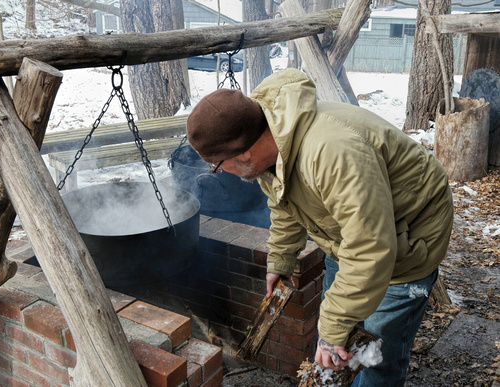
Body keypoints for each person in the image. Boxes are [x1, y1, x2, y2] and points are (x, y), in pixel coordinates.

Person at [186, 68, 454, 386]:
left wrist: (334, 328)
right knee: (337, 337)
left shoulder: (332, 153)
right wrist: (281, 261)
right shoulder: (270, 138)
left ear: (243, 152)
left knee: (376, 356)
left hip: (408, 238)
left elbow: (371, 248)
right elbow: (284, 204)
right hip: (348, 235)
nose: (220, 172)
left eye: (218, 165)